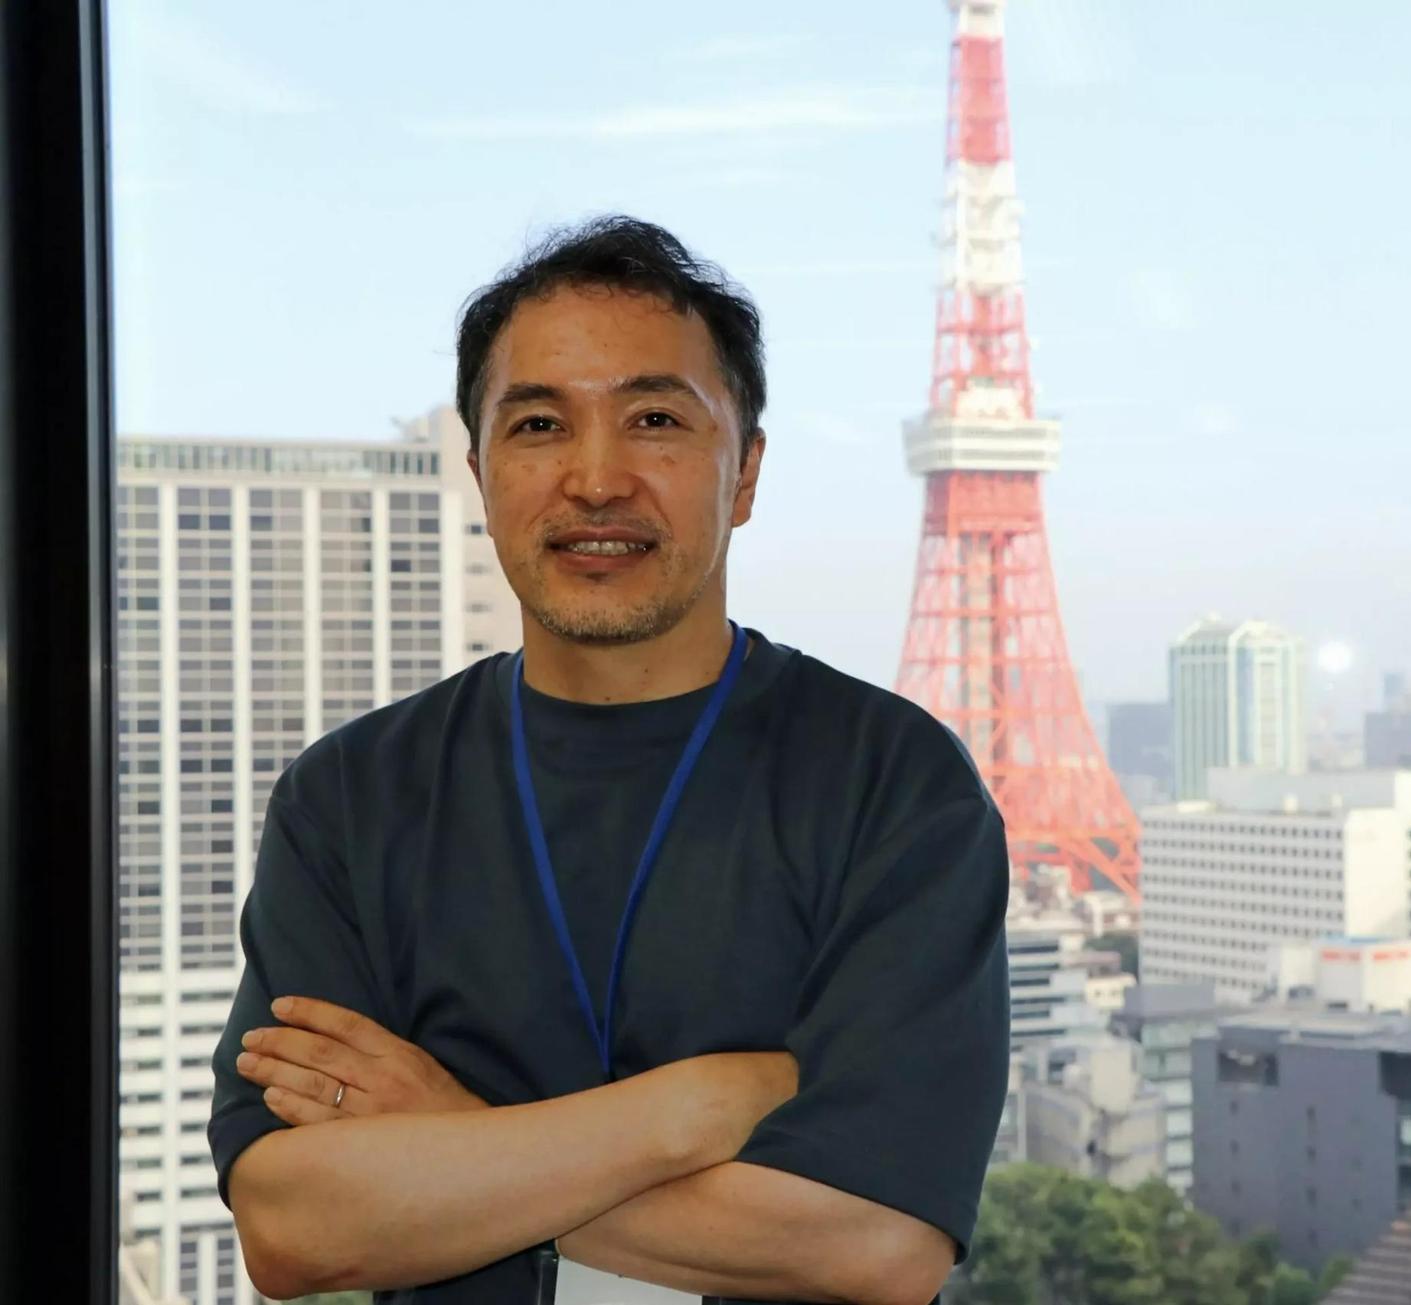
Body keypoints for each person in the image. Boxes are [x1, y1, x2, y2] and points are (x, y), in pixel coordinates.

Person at [206, 215, 1011, 1304]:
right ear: (482, 471)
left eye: (655, 419)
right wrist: (691, 1111)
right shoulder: (352, 794)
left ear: (745, 472)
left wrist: (451, 1139)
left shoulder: (892, 781)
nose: (595, 479)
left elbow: (874, 1246)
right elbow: (292, 1226)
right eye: (539, 424)